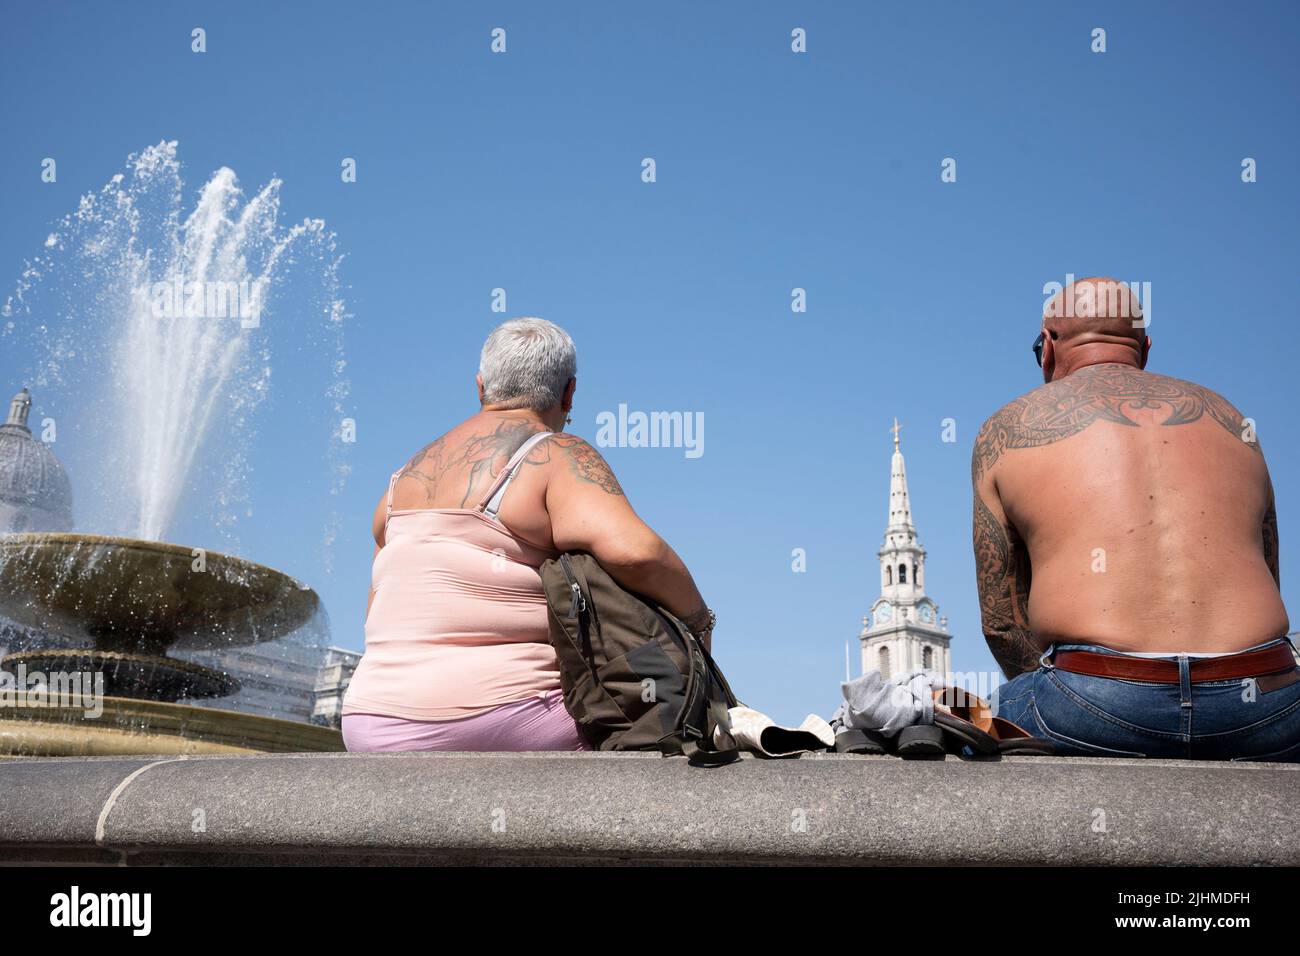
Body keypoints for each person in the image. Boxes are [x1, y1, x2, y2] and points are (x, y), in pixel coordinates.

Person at [342, 317, 714, 752]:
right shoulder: (555, 453)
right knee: (649, 717)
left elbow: (375, 611)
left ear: (480, 387)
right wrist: (699, 625)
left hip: (369, 721)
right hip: (494, 716)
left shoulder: (400, 480)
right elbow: (637, 554)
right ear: (569, 392)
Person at [974, 277, 1296, 760]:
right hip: (1267, 704)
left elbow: (1002, 623)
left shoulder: (1007, 428)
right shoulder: (1231, 418)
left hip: (1098, 701)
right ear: (1144, 347)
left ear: (1048, 346)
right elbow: (1269, 569)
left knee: (954, 708)